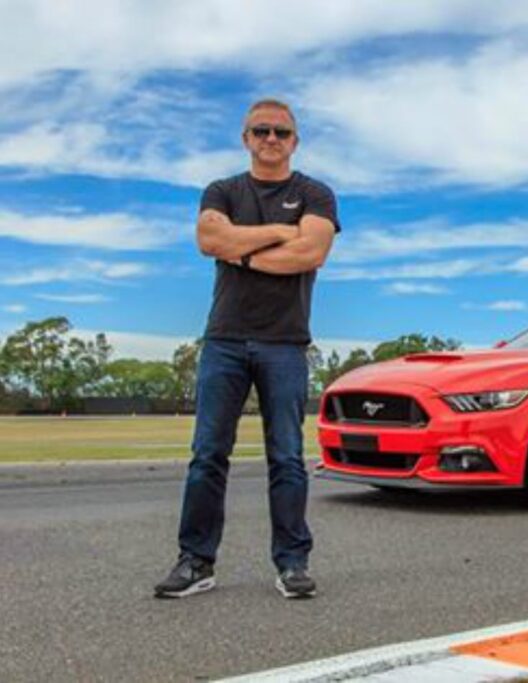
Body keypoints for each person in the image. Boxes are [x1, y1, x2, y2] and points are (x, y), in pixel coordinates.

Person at [155, 99, 339, 599]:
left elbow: (311, 251)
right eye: (261, 130)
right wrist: (278, 233)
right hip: (225, 341)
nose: (271, 139)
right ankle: (196, 561)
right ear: (246, 138)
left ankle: (292, 563)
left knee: (286, 457)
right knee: (208, 455)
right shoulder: (222, 190)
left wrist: (243, 253)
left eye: (281, 132)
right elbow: (209, 237)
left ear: (294, 141)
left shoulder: (315, 194)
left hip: (284, 344)